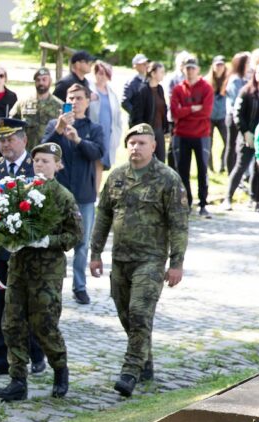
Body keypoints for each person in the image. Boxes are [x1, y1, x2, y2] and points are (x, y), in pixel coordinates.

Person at [90, 124, 188, 398]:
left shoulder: (168, 179)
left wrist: (176, 263)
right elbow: (103, 216)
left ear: (154, 146)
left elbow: (179, 224)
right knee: (126, 315)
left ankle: (129, 372)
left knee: (140, 313)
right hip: (121, 259)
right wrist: (95, 253)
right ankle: (145, 361)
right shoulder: (117, 177)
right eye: (132, 143)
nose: (136, 148)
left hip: (151, 260)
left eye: (142, 143)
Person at [0, 142, 83, 402]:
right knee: (11, 324)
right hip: (20, 268)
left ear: (58, 165)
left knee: (44, 324)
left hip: (47, 272)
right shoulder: (20, 192)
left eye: (46, 161)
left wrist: (47, 241)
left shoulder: (63, 196)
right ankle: (17, 380)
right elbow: (5, 220)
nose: (40, 165)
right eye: (37, 161)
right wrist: (9, 238)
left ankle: (60, 370)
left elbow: (74, 235)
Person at [0, 117, 45, 377]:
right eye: (2, 139)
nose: (5, 144)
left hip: (29, 251)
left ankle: (36, 354)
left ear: (24, 140)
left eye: (10, 139)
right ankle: (0, 357)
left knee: (30, 305)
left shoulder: (37, 166)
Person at [42, 83, 104, 305]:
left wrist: (78, 140)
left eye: (79, 98)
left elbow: (98, 153)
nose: (75, 102)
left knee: (82, 242)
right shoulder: (54, 125)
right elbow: (42, 151)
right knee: (53, 239)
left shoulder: (94, 128)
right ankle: (51, 284)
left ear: (87, 101)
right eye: (71, 98)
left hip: (84, 194)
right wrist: (58, 130)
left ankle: (79, 286)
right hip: (56, 195)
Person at [225, 59, 259, 208]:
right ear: (254, 74)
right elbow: (237, 114)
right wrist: (245, 131)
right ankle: (228, 198)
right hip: (250, 135)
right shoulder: (247, 91)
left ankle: (257, 199)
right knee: (241, 166)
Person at [171, 57, 214, 218]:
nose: (190, 71)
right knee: (183, 171)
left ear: (198, 70)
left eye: (192, 68)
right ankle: (186, 203)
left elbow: (206, 111)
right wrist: (193, 108)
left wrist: (185, 110)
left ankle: (203, 204)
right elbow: (175, 112)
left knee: (202, 170)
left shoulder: (206, 88)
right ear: (183, 70)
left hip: (201, 135)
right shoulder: (178, 89)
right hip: (181, 134)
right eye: (187, 68)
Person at [89, 61, 123, 191]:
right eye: (100, 73)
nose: (102, 76)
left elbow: (117, 117)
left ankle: (95, 193)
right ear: (95, 73)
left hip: (107, 134)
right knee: (92, 162)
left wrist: (117, 135)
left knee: (100, 164)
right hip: (92, 134)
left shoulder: (112, 94)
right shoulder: (89, 90)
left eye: (105, 74)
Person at [13, 67, 63, 154]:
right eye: (38, 80)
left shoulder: (59, 105)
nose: (41, 83)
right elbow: (12, 123)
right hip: (26, 152)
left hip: (50, 154)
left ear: (50, 81)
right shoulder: (23, 103)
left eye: (44, 79)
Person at [222, 53, 251, 183]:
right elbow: (236, 100)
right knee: (231, 145)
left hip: (241, 116)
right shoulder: (235, 80)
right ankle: (231, 175)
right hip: (233, 116)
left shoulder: (244, 79)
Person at [208, 56, 229, 172]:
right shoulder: (207, 80)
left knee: (227, 141)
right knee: (208, 143)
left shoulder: (229, 80)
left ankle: (223, 164)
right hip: (209, 117)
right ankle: (210, 166)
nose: (219, 67)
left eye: (221, 65)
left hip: (223, 116)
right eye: (217, 65)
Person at [122, 54, 151, 120]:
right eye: (143, 64)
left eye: (146, 63)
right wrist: (136, 114)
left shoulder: (150, 80)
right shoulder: (131, 83)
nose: (146, 65)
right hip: (137, 122)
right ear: (135, 66)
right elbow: (125, 102)